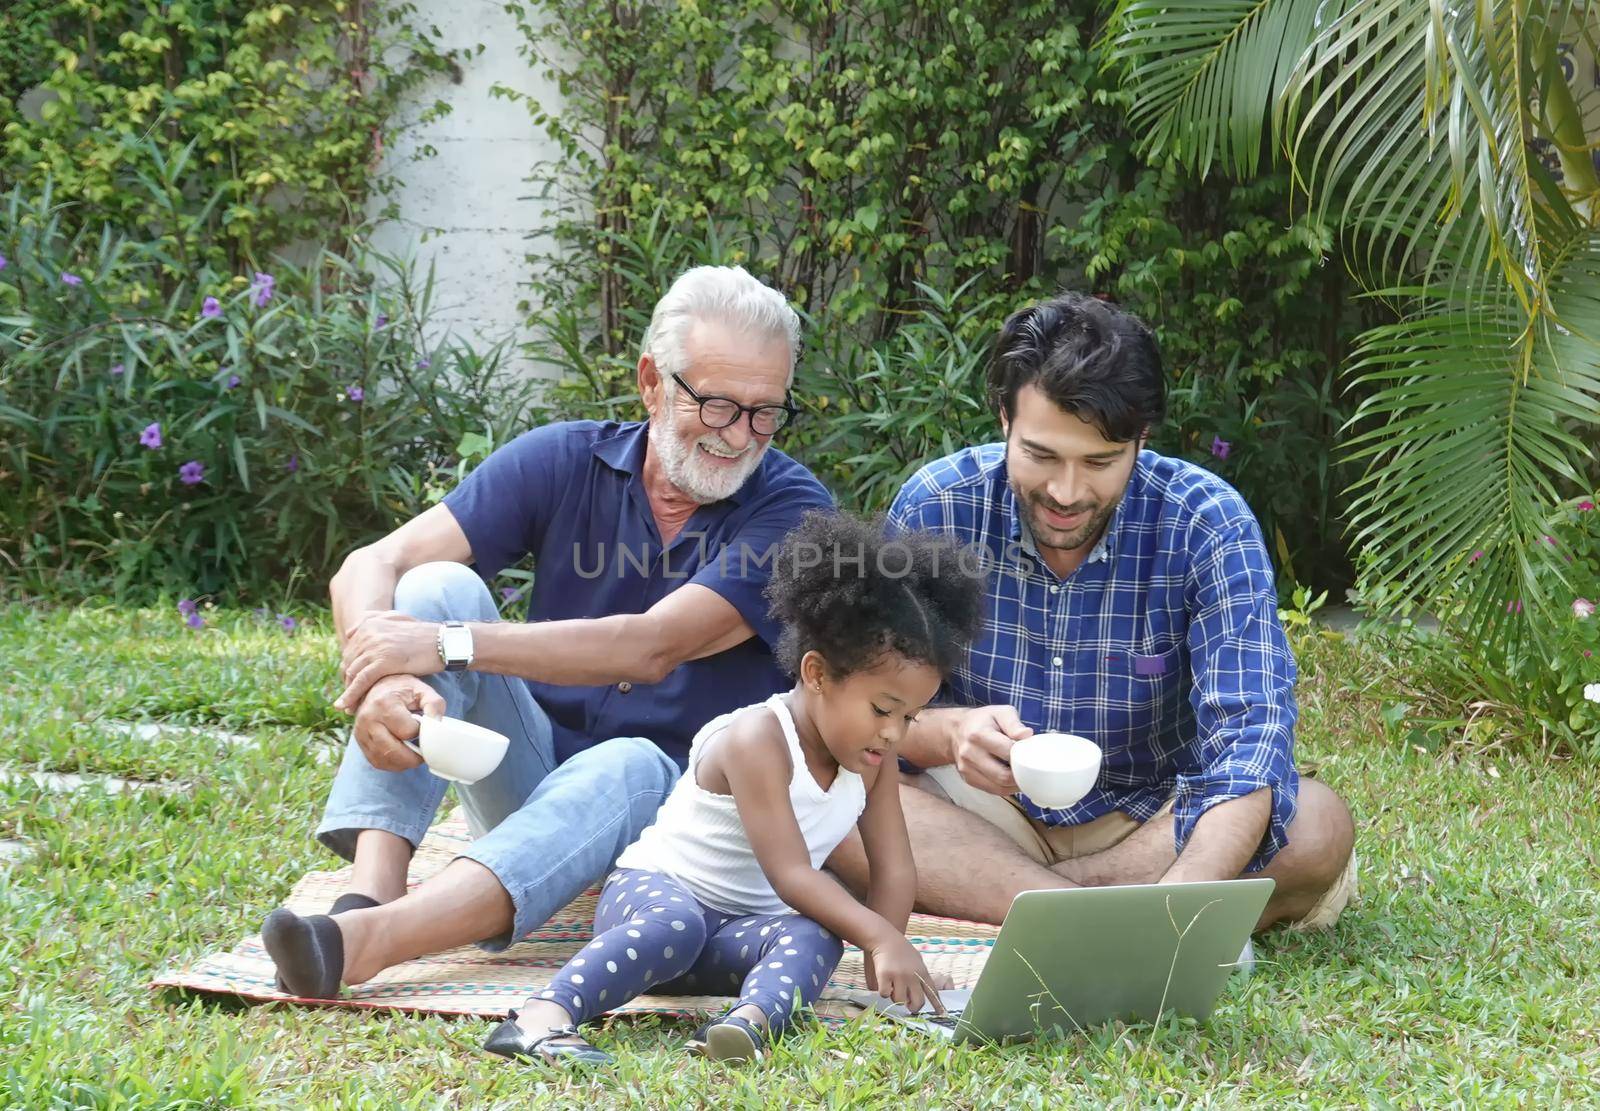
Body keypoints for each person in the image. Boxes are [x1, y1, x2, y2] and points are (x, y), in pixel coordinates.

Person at [259, 265, 833, 1004]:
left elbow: (650, 647)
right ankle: (364, 899)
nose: (740, 436)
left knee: (630, 761)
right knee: (433, 586)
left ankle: (369, 943)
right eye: (718, 405)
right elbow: (370, 564)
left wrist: (444, 645)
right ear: (652, 382)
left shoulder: (794, 511)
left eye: (765, 412)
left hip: (679, 840)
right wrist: (386, 681)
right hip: (541, 784)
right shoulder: (567, 457)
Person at [829, 292, 1356, 934]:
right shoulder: (938, 507)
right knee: (841, 813)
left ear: (1142, 439)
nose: (1066, 493)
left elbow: (1248, 744)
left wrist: (1187, 891)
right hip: (980, 811)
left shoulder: (1206, 522)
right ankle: (1110, 918)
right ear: (1003, 419)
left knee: (1318, 827)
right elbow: (856, 711)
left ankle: (1038, 907)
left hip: (1157, 819)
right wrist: (951, 733)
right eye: (1042, 456)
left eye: (1100, 463)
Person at [481, 512, 986, 1066]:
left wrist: (885, 955)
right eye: (883, 709)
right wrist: (878, 936)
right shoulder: (756, 739)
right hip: (651, 903)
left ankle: (745, 1026)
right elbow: (791, 873)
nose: (894, 732)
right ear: (817, 674)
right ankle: (539, 1018)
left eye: (910, 717)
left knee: (816, 938)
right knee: (676, 924)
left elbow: (893, 867)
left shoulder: (873, 757)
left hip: (731, 938)